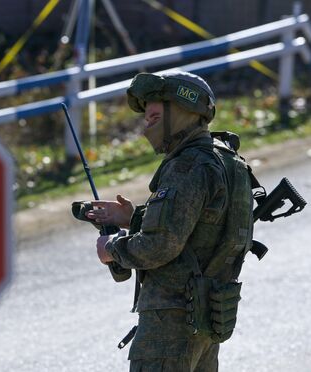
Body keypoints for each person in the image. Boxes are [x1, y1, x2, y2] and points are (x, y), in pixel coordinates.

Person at [85, 70, 254, 371]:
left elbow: (160, 245)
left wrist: (111, 248)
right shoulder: (228, 162)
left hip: (171, 322)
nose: (147, 122)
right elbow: (203, 228)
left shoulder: (187, 166)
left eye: (154, 113)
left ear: (182, 110)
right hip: (205, 317)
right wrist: (134, 217)